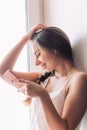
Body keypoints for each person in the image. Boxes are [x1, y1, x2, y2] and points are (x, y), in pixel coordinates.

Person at [0, 24, 87, 130]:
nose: (36, 63)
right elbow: (3, 72)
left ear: (54, 49)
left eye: (38, 54)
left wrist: (42, 94)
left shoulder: (78, 79)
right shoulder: (42, 79)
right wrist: (26, 38)